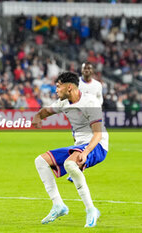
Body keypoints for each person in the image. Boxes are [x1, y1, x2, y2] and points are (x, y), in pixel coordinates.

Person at [32, 72, 108, 228]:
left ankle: (91, 210)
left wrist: (85, 153)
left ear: (69, 87)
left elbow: (98, 134)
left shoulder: (90, 102)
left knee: (69, 164)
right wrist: (37, 117)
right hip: (79, 145)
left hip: (97, 145)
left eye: (58, 87)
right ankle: (58, 205)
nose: (56, 90)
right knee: (40, 161)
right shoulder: (63, 102)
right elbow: (45, 112)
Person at [66, 62, 103, 182]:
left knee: (91, 141)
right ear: (81, 70)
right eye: (84, 68)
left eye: (89, 68)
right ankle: (77, 167)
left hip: (92, 117)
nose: (87, 70)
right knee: (78, 141)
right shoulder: (77, 84)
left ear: (92, 71)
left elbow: (99, 99)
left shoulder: (97, 85)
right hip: (79, 118)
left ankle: (78, 167)